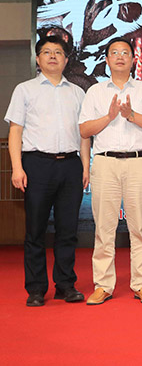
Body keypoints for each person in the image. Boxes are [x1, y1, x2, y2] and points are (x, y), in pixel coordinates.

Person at [5, 36, 90, 307]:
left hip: (71, 165)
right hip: (37, 165)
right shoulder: (25, 90)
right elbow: (15, 131)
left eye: (58, 52)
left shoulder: (77, 93)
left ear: (66, 60)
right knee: (35, 230)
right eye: (46, 52)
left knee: (68, 230)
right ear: (38, 59)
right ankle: (36, 289)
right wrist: (17, 168)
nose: (53, 56)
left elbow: (84, 135)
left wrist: (85, 167)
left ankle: (66, 285)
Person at [79, 37, 142, 305]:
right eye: (114, 52)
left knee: (139, 227)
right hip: (105, 163)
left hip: (138, 162)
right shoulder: (95, 91)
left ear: (133, 59)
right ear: (106, 59)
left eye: (125, 52)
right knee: (104, 228)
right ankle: (103, 285)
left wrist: (131, 116)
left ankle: (141, 284)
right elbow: (84, 130)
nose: (119, 57)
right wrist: (110, 116)